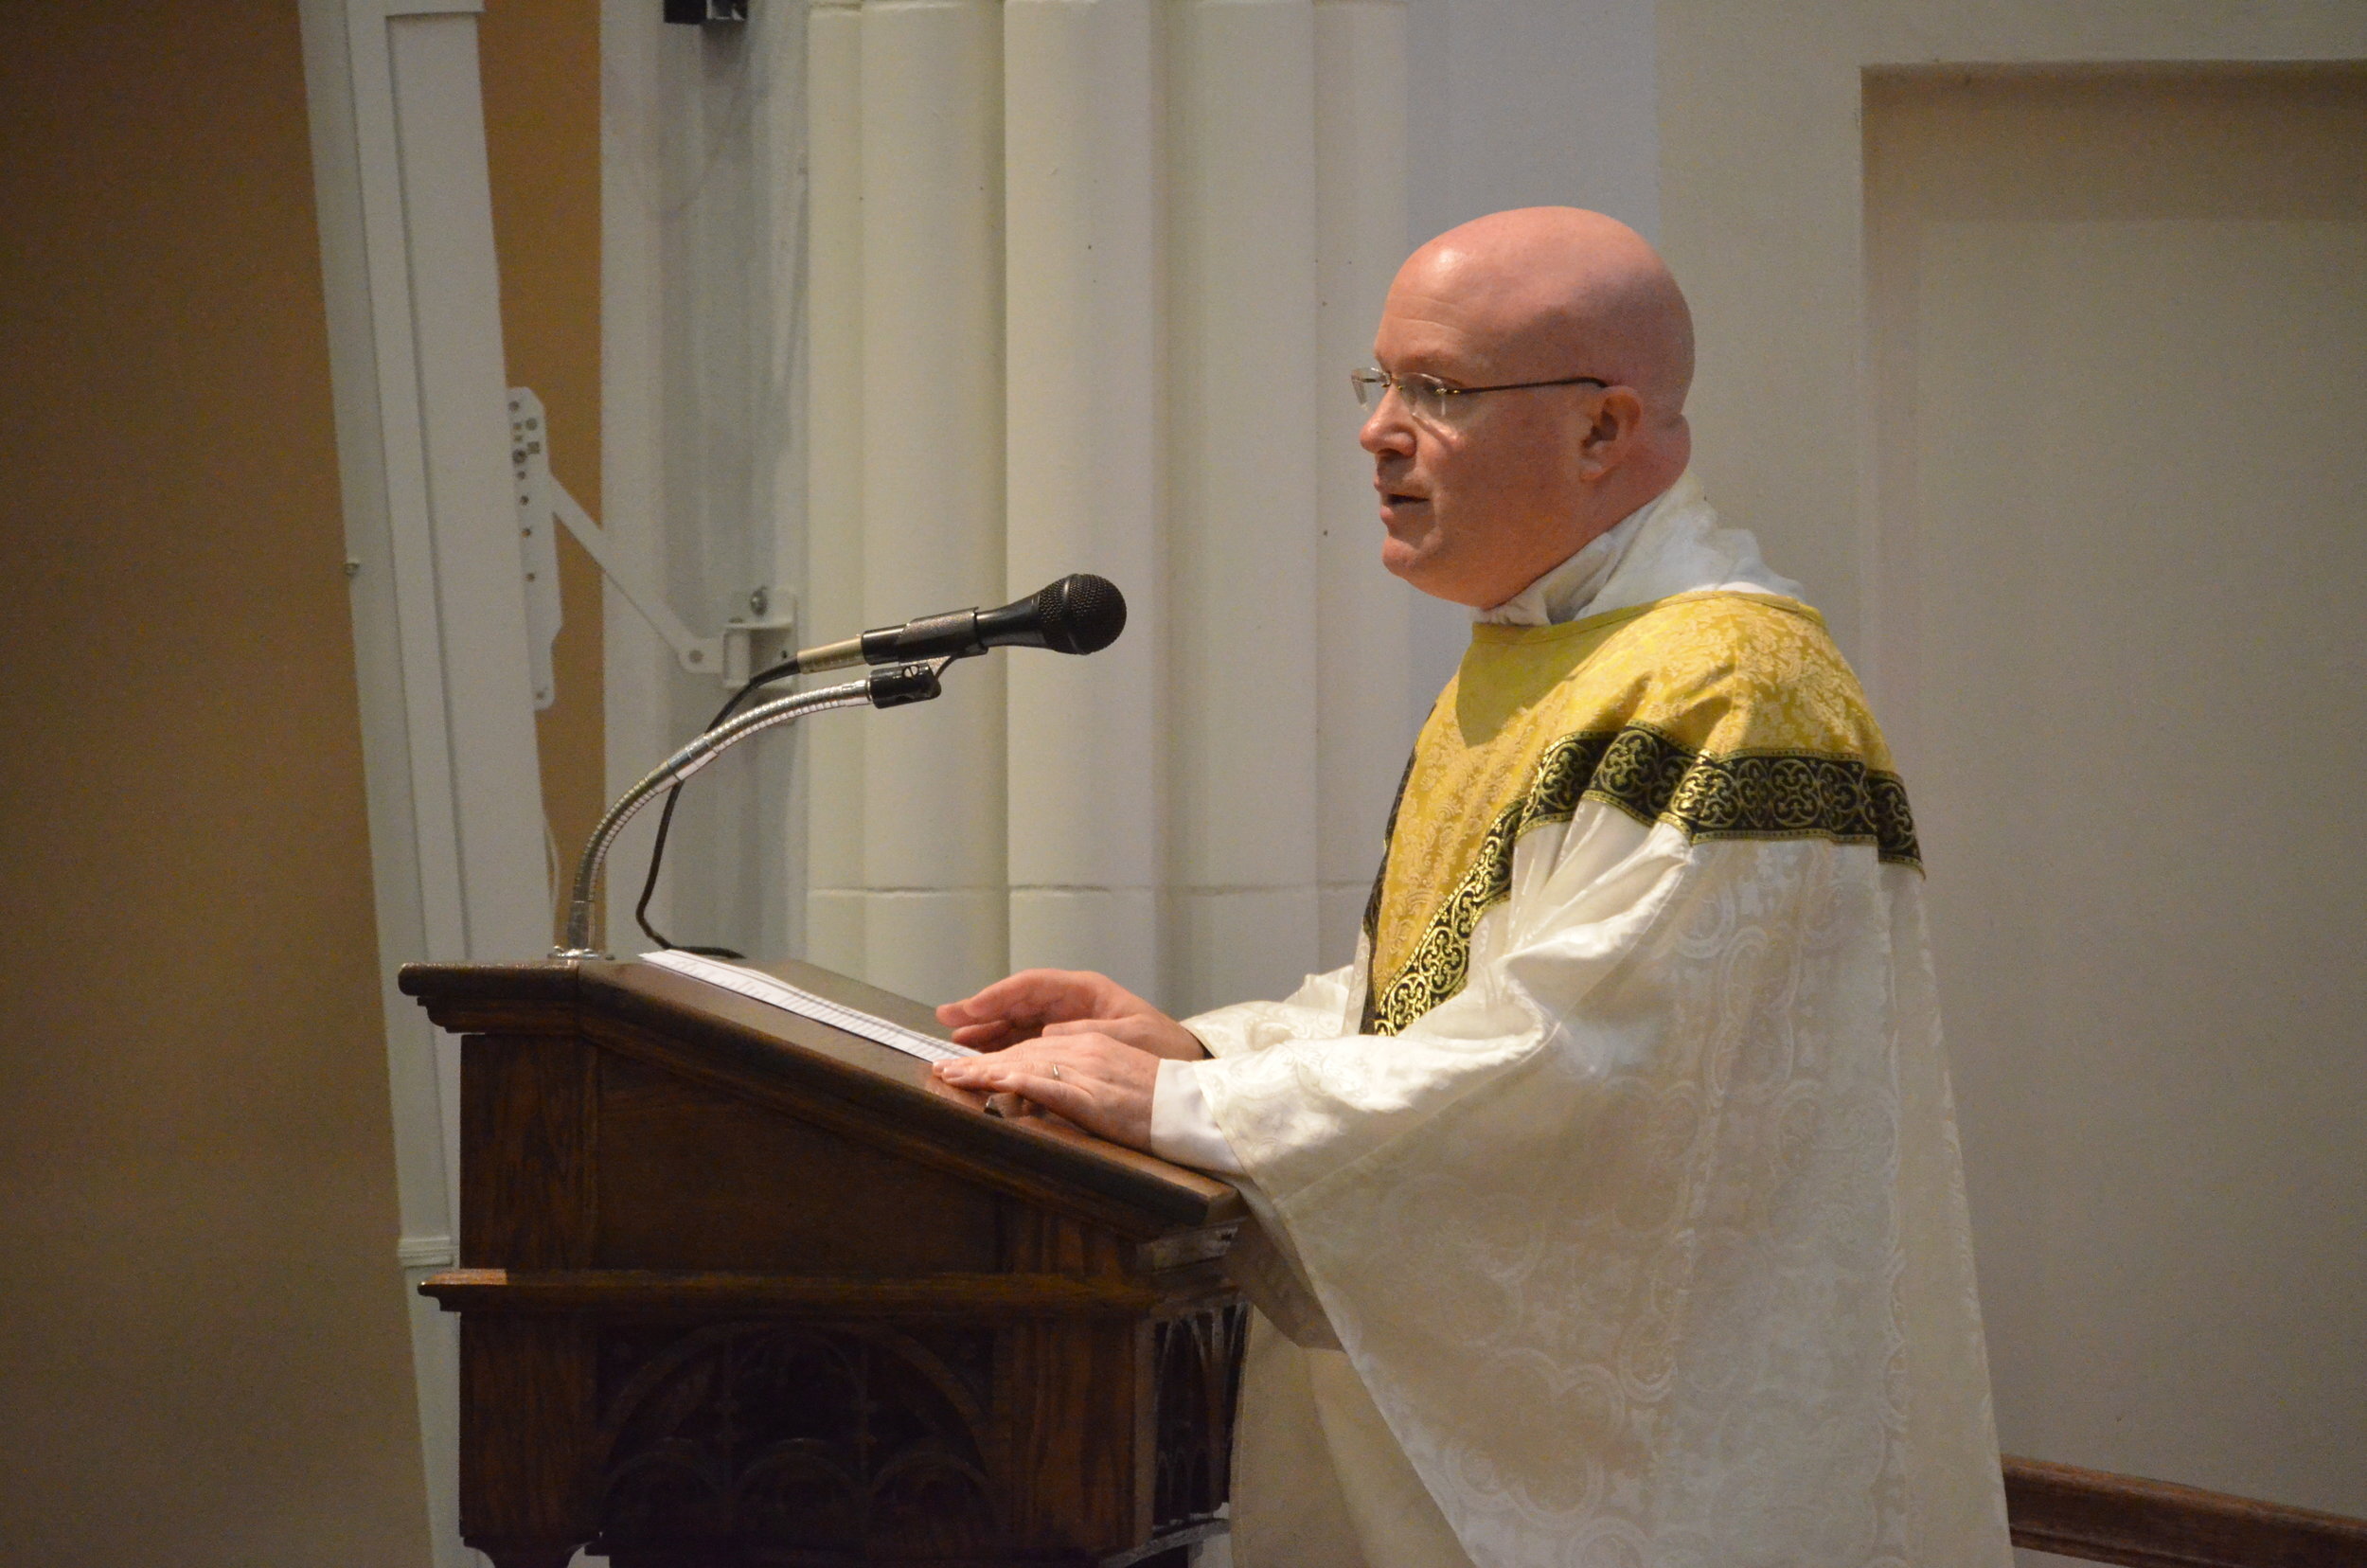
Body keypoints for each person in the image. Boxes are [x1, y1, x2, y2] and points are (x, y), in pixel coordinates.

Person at [933, 207, 2011, 1568]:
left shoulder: (1728, 690)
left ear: (1605, 430)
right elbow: (1436, 1004)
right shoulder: (1543, 651)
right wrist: (1207, 1046)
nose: (1379, 430)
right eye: (1377, 383)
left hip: (1654, 1482)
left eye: (1436, 391)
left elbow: (1582, 1075)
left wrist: (1193, 1108)